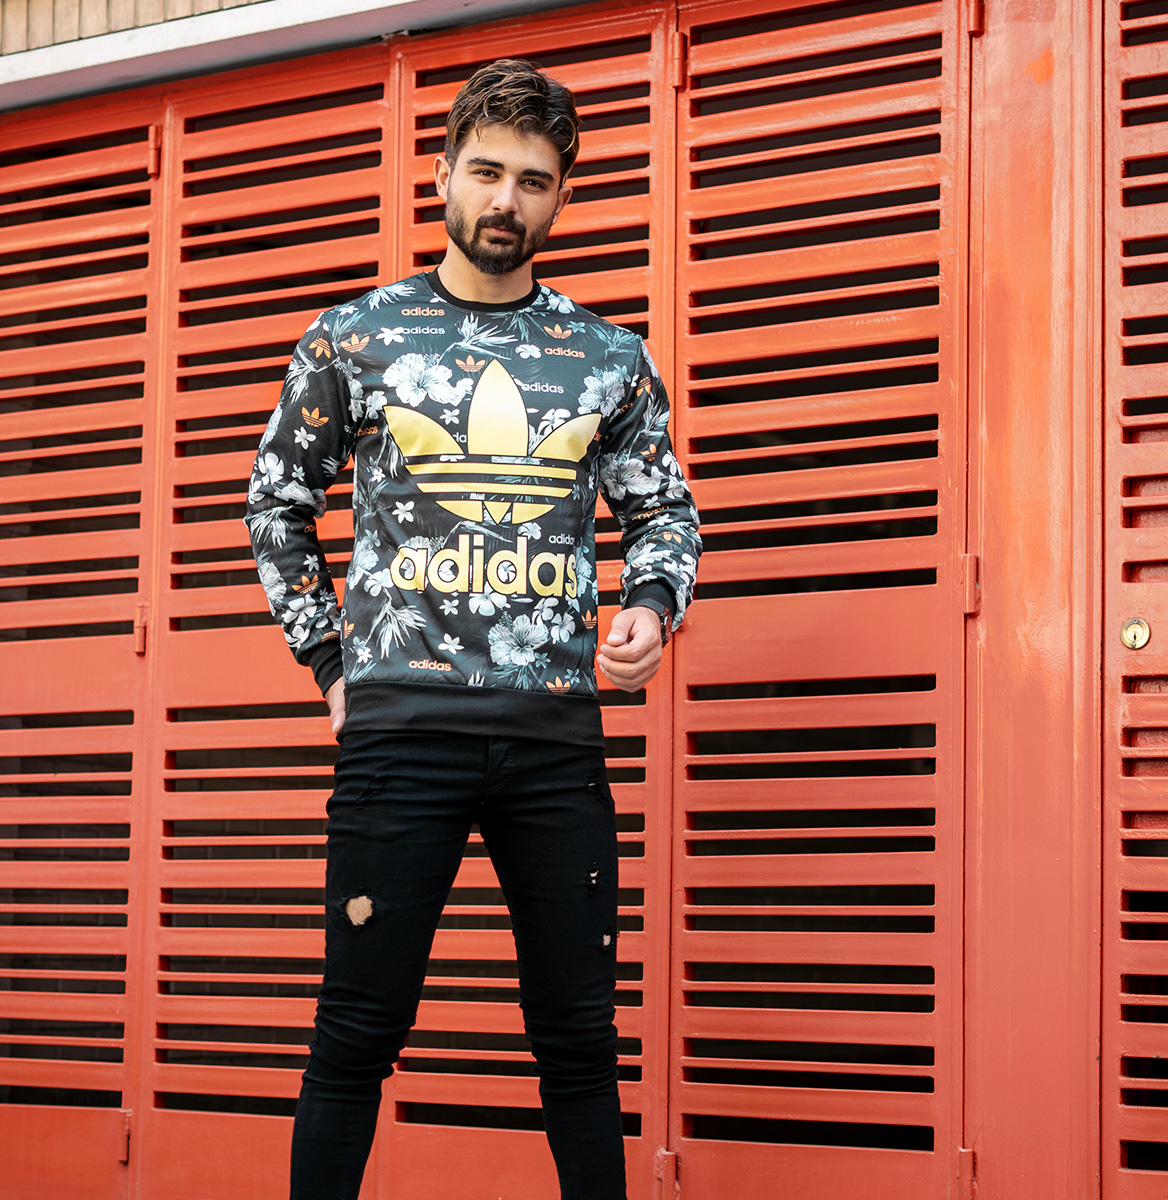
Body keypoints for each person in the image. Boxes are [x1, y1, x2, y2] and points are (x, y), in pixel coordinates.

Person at [245, 57, 700, 1200]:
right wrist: (330, 662)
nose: (507, 201)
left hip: (554, 740)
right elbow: (277, 503)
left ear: (561, 197)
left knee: (580, 1044)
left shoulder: (608, 357)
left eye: (533, 182)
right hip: (402, 734)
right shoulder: (356, 337)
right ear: (443, 173)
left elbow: (664, 513)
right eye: (487, 172)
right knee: (356, 1031)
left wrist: (651, 609)